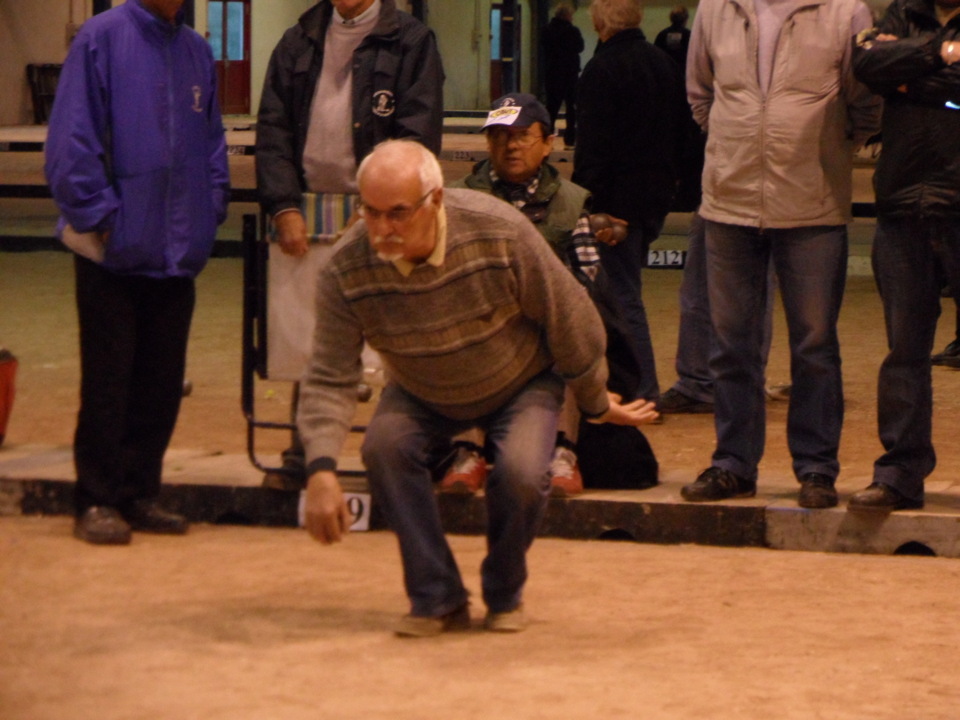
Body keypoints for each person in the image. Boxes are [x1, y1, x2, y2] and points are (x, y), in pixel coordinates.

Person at [297, 140, 658, 637]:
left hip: (521, 381)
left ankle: (504, 588)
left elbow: (573, 320)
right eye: (370, 212)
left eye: (398, 213)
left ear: (437, 200)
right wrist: (319, 468)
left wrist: (595, 402)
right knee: (383, 447)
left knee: (522, 471)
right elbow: (329, 375)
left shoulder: (499, 230)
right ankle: (437, 595)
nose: (382, 229)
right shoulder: (346, 267)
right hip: (422, 388)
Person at [681, 0, 881, 510]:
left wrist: (827, 152)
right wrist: (736, 148)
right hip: (729, 202)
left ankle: (816, 468)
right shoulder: (715, 8)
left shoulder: (846, 11)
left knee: (814, 347)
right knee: (730, 346)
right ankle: (733, 464)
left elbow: (865, 104)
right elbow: (700, 95)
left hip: (813, 206)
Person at [44, 0, 230, 545]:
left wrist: (208, 209)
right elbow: (70, 141)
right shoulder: (101, 39)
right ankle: (97, 499)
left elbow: (213, 142)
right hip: (114, 253)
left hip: (176, 252)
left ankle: (139, 492)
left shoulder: (196, 51)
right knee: (108, 383)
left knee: (161, 384)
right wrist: (101, 218)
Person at [255, 0, 444, 490]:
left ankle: (395, 457)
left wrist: (383, 208)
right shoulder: (296, 40)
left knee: (398, 342)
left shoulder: (413, 41)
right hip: (305, 210)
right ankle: (305, 456)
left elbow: (417, 132)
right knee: (309, 343)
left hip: (382, 214)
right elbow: (272, 129)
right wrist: (282, 205)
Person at [445, 93, 656, 497]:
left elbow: (589, 279)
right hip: (481, 325)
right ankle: (467, 453)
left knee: (572, 332)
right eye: (500, 136)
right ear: (488, 143)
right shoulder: (458, 198)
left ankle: (564, 454)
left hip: (547, 327)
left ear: (548, 143)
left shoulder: (572, 203)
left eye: (524, 135)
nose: (511, 145)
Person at [849, 0, 960, 511]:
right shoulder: (902, 11)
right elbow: (869, 67)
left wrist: (912, 76)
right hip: (902, 205)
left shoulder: (901, 31)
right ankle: (899, 475)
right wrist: (944, 53)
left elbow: (895, 73)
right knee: (904, 355)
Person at [573, 0, 686, 404]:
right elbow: (684, 133)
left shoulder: (601, 70)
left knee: (621, 296)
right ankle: (620, 383)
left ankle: (641, 389)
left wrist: (581, 202)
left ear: (600, 20)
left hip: (613, 205)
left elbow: (594, 148)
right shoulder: (664, 64)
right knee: (620, 291)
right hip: (654, 199)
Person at [541, 2, 584, 147]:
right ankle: (570, 139)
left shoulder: (546, 30)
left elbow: (543, 47)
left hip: (552, 73)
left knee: (551, 108)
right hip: (569, 73)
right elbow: (580, 47)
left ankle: (547, 138)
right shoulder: (572, 31)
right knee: (571, 109)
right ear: (566, 15)